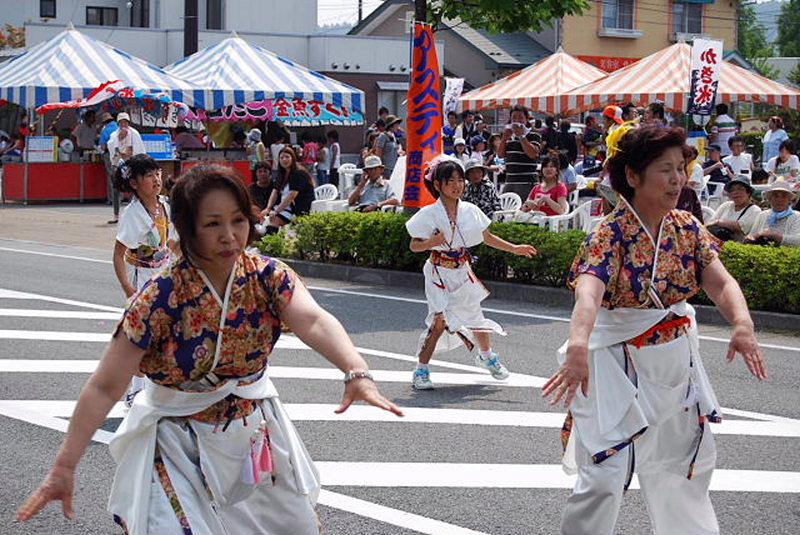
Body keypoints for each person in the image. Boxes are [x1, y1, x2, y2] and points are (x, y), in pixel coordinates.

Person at [16, 164, 403, 534]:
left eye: (238, 220)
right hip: (175, 441)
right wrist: (64, 467)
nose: (230, 236)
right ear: (188, 229)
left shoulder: (269, 276)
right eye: (213, 224)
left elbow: (314, 319)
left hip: (251, 435)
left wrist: (356, 370)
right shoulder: (162, 295)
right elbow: (104, 386)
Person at [542, 125, 767, 535]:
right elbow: (588, 294)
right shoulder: (608, 234)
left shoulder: (687, 226)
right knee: (605, 474)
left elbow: (720, 282)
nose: (678, 179)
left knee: (681, 469)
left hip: (673, 364)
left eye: (681, 168)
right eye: (666, 169)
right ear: (632, 175)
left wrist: (743, 323)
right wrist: (578, 343)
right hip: (611, 360)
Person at [405, 156, 537, 390]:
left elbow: (487, 237)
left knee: (476, 316)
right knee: (438, 322)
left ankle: (487, 357)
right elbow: (414, 245)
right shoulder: (428, 213)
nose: (457, 185)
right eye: (450, 181)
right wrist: (432, 242)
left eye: (460, 180)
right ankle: (421, 370)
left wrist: (515, 248)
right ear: (438, 185)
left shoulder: (470, 210)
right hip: (438, 272)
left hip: (462, 271)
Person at [110, 154, 176, 409]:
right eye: (149, 176)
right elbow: (118, 254)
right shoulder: (132, 214)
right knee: (144, 338)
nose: (156, 179)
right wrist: (128, 288)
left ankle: (154, 390)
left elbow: (170, 242)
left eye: (157, 173)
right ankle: (136, 392)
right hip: (144, 281)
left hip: (167, 279)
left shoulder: (165, 206)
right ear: (135, 183)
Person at [263, 147, 315, 234]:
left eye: (287, 157)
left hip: (300, 209)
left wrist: (276, 211)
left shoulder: (299, 174)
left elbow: (291, 196)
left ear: (293, 158)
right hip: (286, 208)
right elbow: (274, 192)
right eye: (281, 158)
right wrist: (268, 208)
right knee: (263, 218)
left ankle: (269, 245)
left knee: (274, 221)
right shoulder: (282, 174)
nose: (284, 160)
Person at [745, 179, 800, 246]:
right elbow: (751, 236)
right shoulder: (762, 215)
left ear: (789, 200)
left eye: (784, 196)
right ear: (770, 199)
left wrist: (773, 235)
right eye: (776, 196)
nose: (779, 199)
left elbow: (797, 241)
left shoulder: (797, 216)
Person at [498, 105, 541, 187]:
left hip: (527, 183)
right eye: (514, 118)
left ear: (526, 119)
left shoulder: (533, 135)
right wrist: (504, 139)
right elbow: (500, 155)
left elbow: (533, 154)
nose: (517, 120)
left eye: (521, 117)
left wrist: (521, 136)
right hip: (510, 182)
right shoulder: (509, 135)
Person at [98, 112, 121, 224]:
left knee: (111, 177)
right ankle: (120, 199)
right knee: (120, 176)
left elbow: (102, 145)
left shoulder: (105, 130)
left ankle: (112, 199)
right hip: (120, 154)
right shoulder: (118, 127)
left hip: (109, 155)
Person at [374, 115, 402, 180]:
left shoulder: (394, 137)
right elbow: (378, 153)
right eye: (396, 125)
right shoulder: (383, 136)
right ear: (391, 125)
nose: (398, 127)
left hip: (394, 167)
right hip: (386, 169)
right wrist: (379, 168)